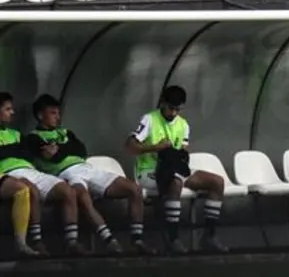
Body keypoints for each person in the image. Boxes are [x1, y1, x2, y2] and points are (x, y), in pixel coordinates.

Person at [28, 94, 151, 254]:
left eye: (58, 113)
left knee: (134, 189)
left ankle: (137, 240)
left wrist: (60, 150)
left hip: (86, 167)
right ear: (40, 115)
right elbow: (49, 157)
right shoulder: (33, 137)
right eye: (53, 113)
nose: (57, 117)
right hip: (65, 173)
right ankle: (109, 240)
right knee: (83, 197)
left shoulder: (67, 133)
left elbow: (81, 150)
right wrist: (65, 151)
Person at [127, 86, 226, 253]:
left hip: (175, 168)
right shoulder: (149, 119)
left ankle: (209, 235)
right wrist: (154, 148)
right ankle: (173, 238)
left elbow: (184, 149)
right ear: (163, 104)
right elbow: (130, 147)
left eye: (177, 109)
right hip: (150, 172)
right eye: (171, 108)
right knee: (176, 182)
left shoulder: (183, 125)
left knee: (217, 182)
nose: (173, 113)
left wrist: (181, 154)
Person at [0, 93, 85, 255]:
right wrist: (14, 150)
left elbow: (28, 153)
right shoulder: (27, 137)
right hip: (9, 173)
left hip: (30, 169)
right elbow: (19, 150)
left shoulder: (16, 134)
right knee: (31, 189)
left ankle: (72, 241)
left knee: (68, 190)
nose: (12, 112)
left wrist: (8, 150)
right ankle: (37, 241)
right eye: (8, 109)